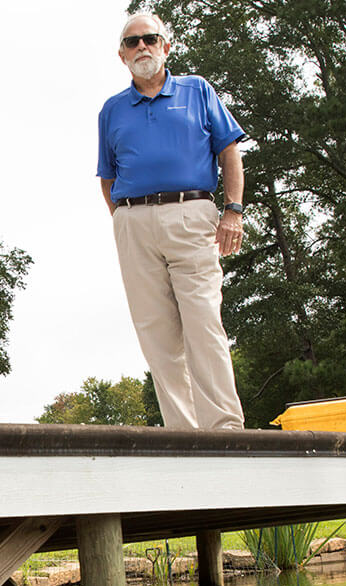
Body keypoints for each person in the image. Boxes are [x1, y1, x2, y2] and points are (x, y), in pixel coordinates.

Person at [97, 13, 247, 431]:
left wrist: (233, 210)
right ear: (122, 55)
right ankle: (184, 435)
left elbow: (229, 152)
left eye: (150, 39)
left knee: (203, 322)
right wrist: (130, 222)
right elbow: (107, 177)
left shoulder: (197, 90)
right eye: (132, 42)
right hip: (133, 222)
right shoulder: (111, 111)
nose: (141, 47)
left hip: (192, 213)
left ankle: (224, 430)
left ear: (166, 46)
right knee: (156, 335)